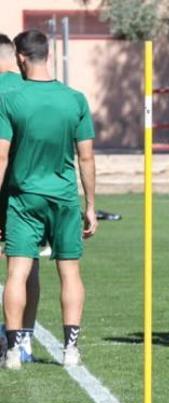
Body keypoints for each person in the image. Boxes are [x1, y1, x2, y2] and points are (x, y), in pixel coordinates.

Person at [0, 30, 97, 369]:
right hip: (64, 198)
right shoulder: (75, 99)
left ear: (21, 58)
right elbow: (86, 157)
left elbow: (1, 156)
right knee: (69, 272)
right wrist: (91, 206)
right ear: (48, 55)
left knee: (17, 272)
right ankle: (70, 350)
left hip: (23, 198)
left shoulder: (10, 99)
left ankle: (13, 351)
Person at [0, 33, 40, 365]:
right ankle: (24, 340)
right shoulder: (29, 88)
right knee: (29, 265)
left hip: (7, 185)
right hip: (29, 187)